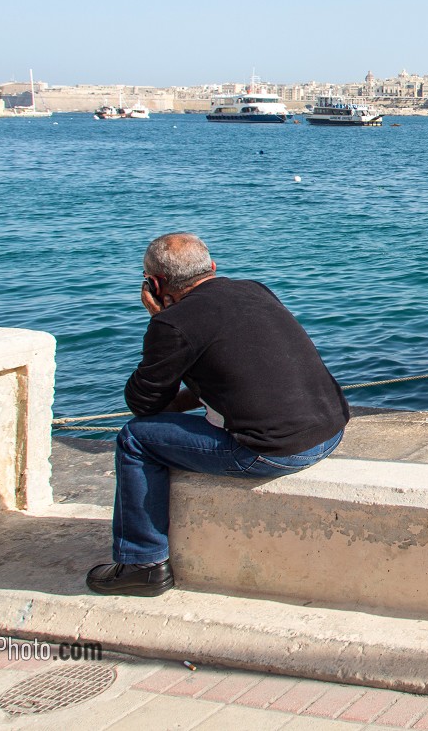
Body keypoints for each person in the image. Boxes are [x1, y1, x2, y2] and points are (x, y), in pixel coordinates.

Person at [86, 233, 349, 596]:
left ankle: (143, 563)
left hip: (275, 452)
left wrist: (160, 320)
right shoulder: (255, 289)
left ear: (155, 283)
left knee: (135, 438)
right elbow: (230, 368)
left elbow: (143, 406)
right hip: (330, 432)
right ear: (211, 267)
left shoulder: (172, 323)